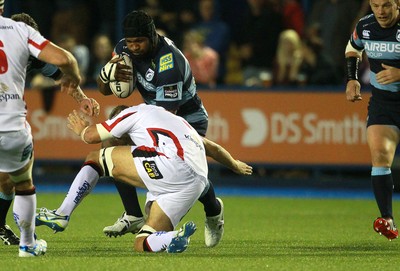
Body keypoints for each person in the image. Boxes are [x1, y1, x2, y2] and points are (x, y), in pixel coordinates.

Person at [36, 104, 252, 253]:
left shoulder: (131, 114)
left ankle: (62, 214)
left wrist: (82, 130)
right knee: (142, 241)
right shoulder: (176, 121)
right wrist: (235, 164)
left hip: (170, 167)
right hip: (195, 183)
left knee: (96, 157)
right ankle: (172, 238)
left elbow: (92, 137)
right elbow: (211, 147)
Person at [95, 10, 226, 248]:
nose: (134, 47)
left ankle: (214, 211)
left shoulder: (169, 62)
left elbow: (167, 116)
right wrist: (106, 75)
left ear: (152, 36)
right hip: (154, 114)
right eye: (131, 42)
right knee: (111, 140)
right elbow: (105, 90)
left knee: (184, 171)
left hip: (185, 119)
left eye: (140, 42)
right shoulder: (123, 49)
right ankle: (132, 214)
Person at [0, 8, 99, 255]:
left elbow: (58, 77)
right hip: (10, 124)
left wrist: (82, 98)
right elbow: (65, 63)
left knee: (6, 181)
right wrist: (77, 78)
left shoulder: (32, 56)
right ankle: (27, 244)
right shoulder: (21, 37)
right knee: (21, 182)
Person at [345, 0, 400, 240]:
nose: (381, 11)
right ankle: (387, 219)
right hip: (384, 103)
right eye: (376, 5)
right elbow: (353, 47)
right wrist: (352, 78)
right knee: (379, 155)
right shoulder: (365, 25)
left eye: (386, 5)